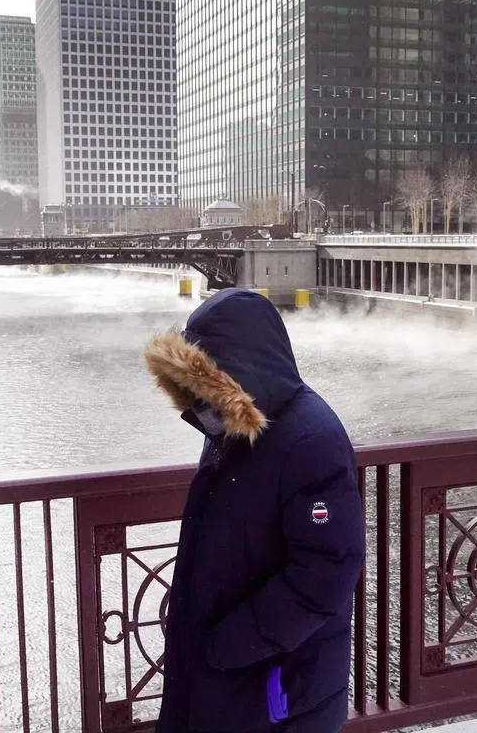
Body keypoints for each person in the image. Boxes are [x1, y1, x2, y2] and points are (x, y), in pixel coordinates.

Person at [144, 288, 365, 733]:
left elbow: (326, 572)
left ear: (239, 369)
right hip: (233, 676)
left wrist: (227, 645)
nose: (198, 399)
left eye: (205, 383)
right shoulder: (234, 425)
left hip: (274, 687)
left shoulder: (309, 439)